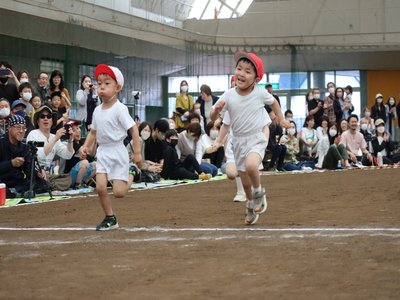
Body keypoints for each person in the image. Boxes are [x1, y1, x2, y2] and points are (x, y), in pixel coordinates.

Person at [212, 51, 289, 225]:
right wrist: (215, 111)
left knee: (251, 165)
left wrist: (281, 118)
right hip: (237, 142)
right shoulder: (229, 95)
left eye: (248, 71)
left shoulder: (260, 93)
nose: (241, 73)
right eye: (239, 68)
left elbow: (274, 103)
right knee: (244, 183)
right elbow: (214, 119)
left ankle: (259, 193)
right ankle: (250, 203)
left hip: (256, 138)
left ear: (256, 78)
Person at [79, 64, 142, 231]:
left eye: (107, 83)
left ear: (117, 87)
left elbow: (134, 129)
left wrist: (137, 153)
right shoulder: (97, 111)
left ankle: (132, 172)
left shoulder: (120, 109)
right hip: (103, 151)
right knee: (100, 187)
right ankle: (110, 217)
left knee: (119, 193)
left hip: (118, 151)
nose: (102, 87)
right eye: (99, 83)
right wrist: (85, 146)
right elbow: (93, 132)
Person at [0, 115, 47, 198]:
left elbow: (28, 169)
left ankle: (14, 193)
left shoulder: (24, 147)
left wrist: (37, 173)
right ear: (9, 128)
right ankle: (15, 194)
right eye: (18, 128)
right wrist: (11, 163)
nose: (21, 131)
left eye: (24, 128)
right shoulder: (1, 143)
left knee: (42, 183)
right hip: (2, 181)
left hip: (17, 182)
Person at [26, 105, 74, 170]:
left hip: (48, 174)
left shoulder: (53, 136)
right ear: (37, 121)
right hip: (34, 173)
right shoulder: (33, 134)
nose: (46, 119)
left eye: (49, 117)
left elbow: (68, 155)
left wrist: (70, 140)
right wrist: (55, 139)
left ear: (52, 121)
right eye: (42, 116)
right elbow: (39, 156)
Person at [64, 120, 96, 188]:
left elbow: (91, 155)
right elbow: (86, 151)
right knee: (84, 162)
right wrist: (92, 133)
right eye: (74, 130)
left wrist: (95, 139)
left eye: (78, 128)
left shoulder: (81, 142)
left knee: (97, 164)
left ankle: (85, 183)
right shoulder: (70, 143)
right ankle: (77, 185)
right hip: (68, 177)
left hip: (79, 174)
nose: (78, 131)